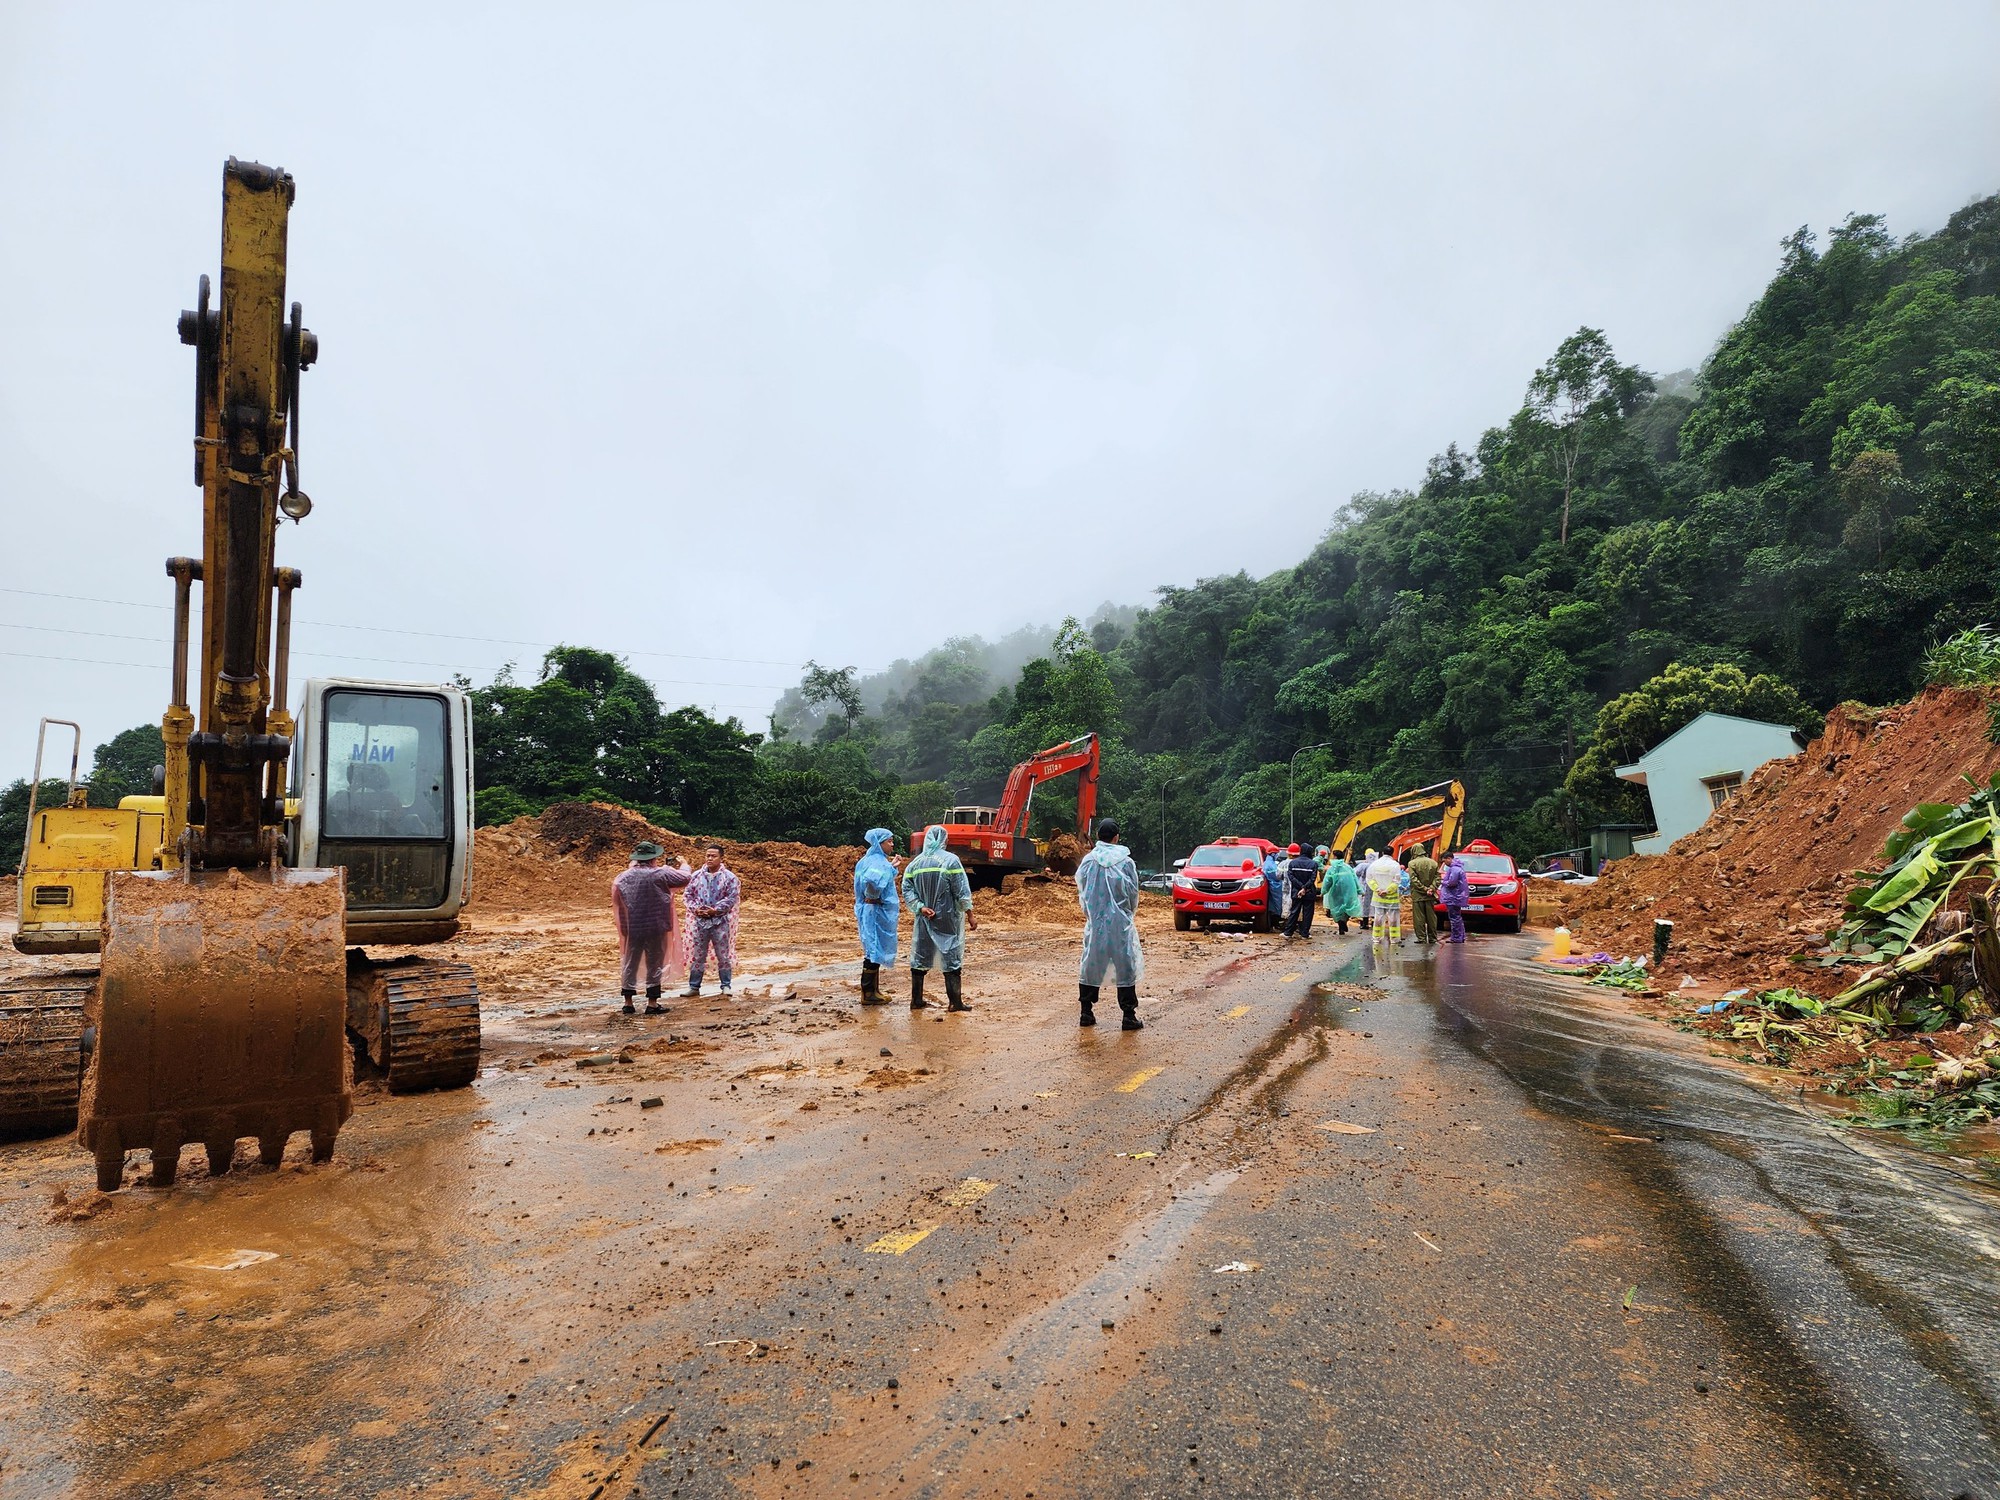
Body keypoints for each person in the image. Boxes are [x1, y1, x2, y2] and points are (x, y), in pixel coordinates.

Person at [1077, 817, 1144, 1029]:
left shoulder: (1088, 860)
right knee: (1125, 965)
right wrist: (1127, 914)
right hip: (1120, 923)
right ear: (1116, 837)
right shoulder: (1125, 862)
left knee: (1091, 963)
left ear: (1098, 836)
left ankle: (1086, 1013)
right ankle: (1128, 1015)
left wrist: (1091, 915)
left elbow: (1083, 891)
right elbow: (1133, 893)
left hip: (1096, 923)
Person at [612, 841, 693, 1014]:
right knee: (654, 962)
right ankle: (652, 1003)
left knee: (630, 962)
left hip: (632, 928)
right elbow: (685, 878)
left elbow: (619, 906)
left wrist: (624, 930)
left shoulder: (623, 877)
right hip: (657, 926)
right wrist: (685, 864)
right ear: (653, 858)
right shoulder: (661, 873)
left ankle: (628, 1002)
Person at [903, 825, 976, 1012]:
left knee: (920, 955)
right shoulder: (951, 861)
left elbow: (907, 889)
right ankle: (955, 1002)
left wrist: (920, 907)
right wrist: (970, 914)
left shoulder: (916, 863)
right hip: (947, 917)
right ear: (943, 840)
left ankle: (916, 1000)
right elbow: (961, 890)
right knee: (951, 955)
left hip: (924, 918)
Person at [682, 843, 741, 997]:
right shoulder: (695, 876)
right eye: (708, 855)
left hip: (721, 921)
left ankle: (726, 985)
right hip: (700, 921)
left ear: (721, 858)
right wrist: (696, 909)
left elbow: (732, 897)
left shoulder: (730, 878)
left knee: (723, 954)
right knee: (698, 954)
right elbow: (688, 895)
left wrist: (715, 910)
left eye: (713, 856)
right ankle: (694, 986)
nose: (709, 858)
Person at [853, 827, 902, 1005]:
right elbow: (872, 882)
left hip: (871, 910)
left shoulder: (869, 860)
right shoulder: (877, 862)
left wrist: (891, 867)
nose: (892, 844)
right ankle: (868, 993)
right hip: (875, 911)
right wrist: (874, 897)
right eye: (889, 841)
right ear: (879, 843)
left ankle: (874, 990)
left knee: (873, 950)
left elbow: (878, 877)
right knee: (873, 951)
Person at [1365, 847, 1405, 944]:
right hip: (1391, 899)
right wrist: (1387, 891)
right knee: (1393, 919)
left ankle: (1376, 938)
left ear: (1382, 852)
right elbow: (1397, 881)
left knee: (1378, 918)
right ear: (1392, 853)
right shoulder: (1395, 865)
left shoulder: (1374, 864)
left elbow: (1369, 879)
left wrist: (1378, 890)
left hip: (1378, 897)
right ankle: (1394, 939)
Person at [1406, 842, 1442, 945]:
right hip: (1430, 895)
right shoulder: (1433, 862)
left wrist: (1424, 889)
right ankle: (1432, 938)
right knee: (1431, 917)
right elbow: (1438, 877)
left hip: (1418, 895)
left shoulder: (1412, 863)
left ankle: (1421, 938)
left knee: (1419, 918)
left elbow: (1413, 879)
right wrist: (1431, 888)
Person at [1282, 842, 1318, 938]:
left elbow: (1291, 877)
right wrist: (1305, 888)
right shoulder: (1313, 864)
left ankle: (1288, 932)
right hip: (1309, 892)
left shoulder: (1293, 863)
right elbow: (1313, 879)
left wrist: (1300, 888)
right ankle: (1305, 933)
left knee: (1294, 912)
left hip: (1296, 892)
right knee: (1308, 913)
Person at [1322, 848, 1362, 934]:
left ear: (1335, 857)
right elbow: (1355, 879)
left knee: (1337, 909)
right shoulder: (1348, 867)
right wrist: (1359, 890)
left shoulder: (1332, 869)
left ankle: (1341, 925)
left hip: (1335, 892)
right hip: (1348, 891)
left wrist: (1324, 890)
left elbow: (1327, 881)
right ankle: (1344, 922)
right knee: (1347, 907)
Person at [1439, 853, 1471, 943]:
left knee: (1454, 918)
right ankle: (1460, 936)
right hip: (1456, 896)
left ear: (1449, 858)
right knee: (1457, 917)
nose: (1445, 863)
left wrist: (1442, 882)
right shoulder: (1457, 868)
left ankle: (1456, 937)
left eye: (1444, 861)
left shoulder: (1454, 869)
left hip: (1453, 897)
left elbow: (1451, 882)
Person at [1261, 847, 1286, 931]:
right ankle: (1275, 923)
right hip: (1275, 887)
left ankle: (1274, 923)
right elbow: (1277, 876)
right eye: (1276, 853)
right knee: (1277, 906)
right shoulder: (1270, 865)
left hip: (1273, 887)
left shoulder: (1268, 863)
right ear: (1272, 854)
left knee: (1273, 906)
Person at [1356, 849, 1378, 930]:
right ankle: (1374, 922)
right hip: (1375, 887)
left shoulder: (1363, 865)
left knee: (1364, 905)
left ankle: (1364, 923)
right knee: (1374, 905)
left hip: (1365, 887)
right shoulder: (1377, 865)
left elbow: (1355, 873)